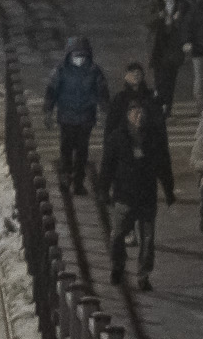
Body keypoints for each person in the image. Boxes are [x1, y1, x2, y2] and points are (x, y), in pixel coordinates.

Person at [95, 94, 173, 287]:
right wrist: (103, 190)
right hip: (124, 195)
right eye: (134, 111)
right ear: (127, 114)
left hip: (147, 194)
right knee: (118, 235)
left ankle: (143, 275)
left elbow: (163, 164)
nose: (138, 115)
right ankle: (117, 265)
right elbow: (107, 166)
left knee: (147, 239)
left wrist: (169, 189)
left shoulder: (153, 137)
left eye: (141, 111)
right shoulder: (117, 138)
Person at [42, 36, 108, 194]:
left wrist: (106, 111)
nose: (79, 59)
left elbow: (102, 92)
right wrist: (47, 111)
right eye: (76, 55)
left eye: (82, 56)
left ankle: (78, 181)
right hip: (66, 116)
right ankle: (66, 175)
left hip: (86, 116)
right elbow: (51, 91)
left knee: (82, 149)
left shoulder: (94, 71)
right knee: (66, 147)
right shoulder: (61, 70)